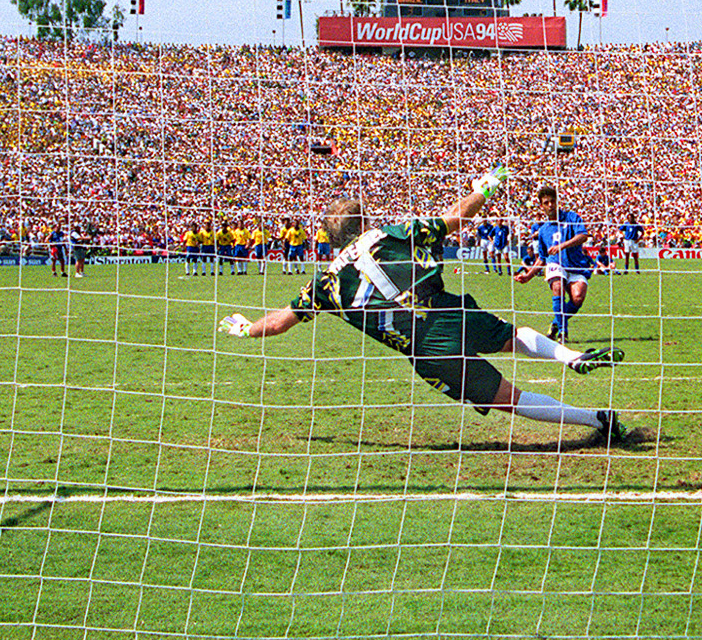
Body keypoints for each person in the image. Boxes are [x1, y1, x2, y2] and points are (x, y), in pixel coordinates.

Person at [219, 166, 630, 446]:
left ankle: (595, 419)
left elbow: (278, 324)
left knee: (509, 397)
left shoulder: (325, 283)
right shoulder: (387, 234)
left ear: (331, 238)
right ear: (364, 223)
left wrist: (247, 328)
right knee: (513, 336)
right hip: (445, 310)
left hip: (424, 348)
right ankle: (570, 356)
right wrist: (484, 189)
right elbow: (455, 218)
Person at [514, 183, 593, 342]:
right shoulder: (543, 230)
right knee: (558, 287)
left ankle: (556, 323)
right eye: (546, 203)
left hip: (575, 265)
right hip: (555, 264)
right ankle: (564, 333)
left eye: (552, 201)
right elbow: (542, 258)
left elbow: (583, 236)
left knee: (577, 298)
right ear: (541, 206)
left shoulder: (571, 217)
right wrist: (528, 275)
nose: (550, 205)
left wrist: (562, 245)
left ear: (557, 201)